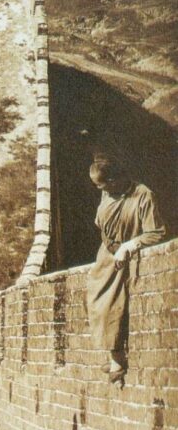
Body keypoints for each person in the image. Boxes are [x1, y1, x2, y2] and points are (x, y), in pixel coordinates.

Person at [86, 158, 165, 382]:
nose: (100, 190)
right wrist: (110, 245)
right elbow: (101, 224)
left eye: (102, 185)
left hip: (124, 256)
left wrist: (129, 245)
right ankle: (112, 353)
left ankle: (118, 360)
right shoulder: (107, 194)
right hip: (106, 255)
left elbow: (156, 232)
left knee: (113, 303)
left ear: (114, 180)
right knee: (95, 301)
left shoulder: (142, 195)